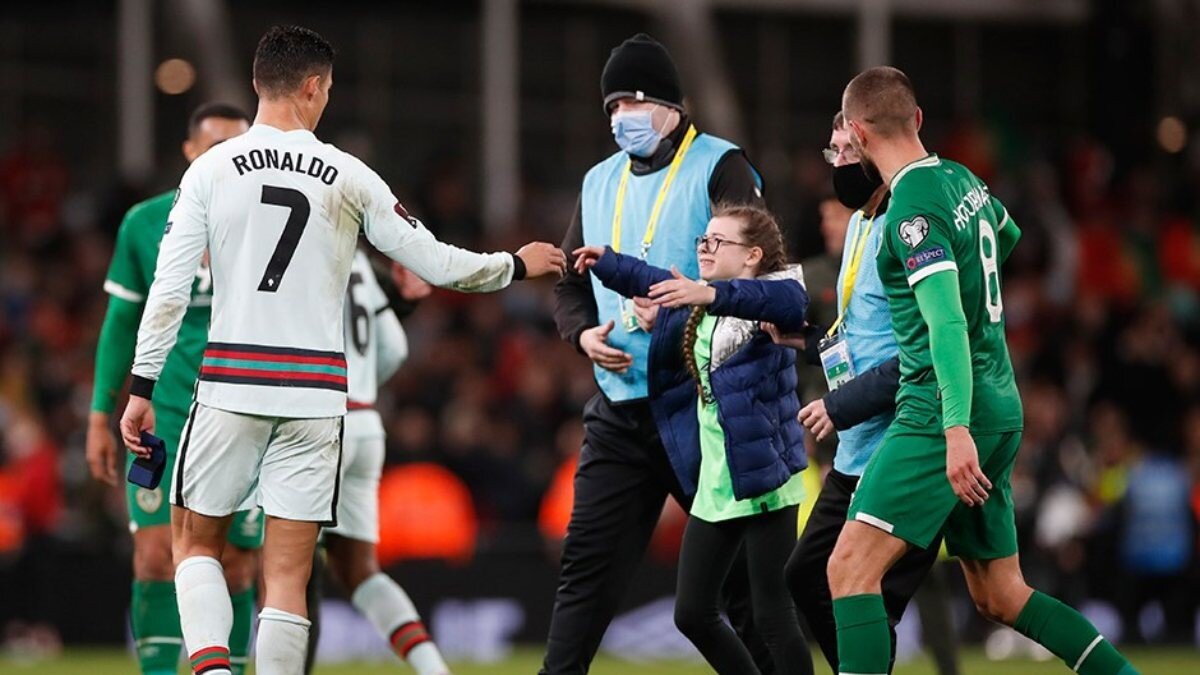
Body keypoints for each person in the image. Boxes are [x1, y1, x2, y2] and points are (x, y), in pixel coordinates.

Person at [118, 25, 565, 675]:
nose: (326, 99)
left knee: (194, 544)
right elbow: (437, 263)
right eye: (327, 89)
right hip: (317, 396)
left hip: (232, 382)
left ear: (257, 83)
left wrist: (141, 388)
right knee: (288, 573)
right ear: (311, 86)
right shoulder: (348, 174)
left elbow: (168, 290)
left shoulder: (210, 170)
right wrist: (514, 265)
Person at [827, 66, 1138, 675]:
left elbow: (945, 324)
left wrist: (954, 427)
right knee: (1001, 595)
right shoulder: (961, 178)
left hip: (940, 411)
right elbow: (1006, 234)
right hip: (1000, 402)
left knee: (849, 569)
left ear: (858, 135)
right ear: (917, 119)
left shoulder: (911, 205)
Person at [548, 33, 769, 674]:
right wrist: (582, 335)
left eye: (636, 102)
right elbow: (568, 283)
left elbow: (758, 274)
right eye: (613, 106)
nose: (623, 117)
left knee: (738, 587)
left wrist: (681, 313)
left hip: (700, 405)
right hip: (620, 407)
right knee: (585, 572)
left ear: (673, 107)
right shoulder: (599, 181)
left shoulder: (720, 166)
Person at [575, 203, 813, 674]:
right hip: (718, 480)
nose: (705, 248)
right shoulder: (703, 299)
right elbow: (652, 280)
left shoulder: (773, 293)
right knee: (692, 614)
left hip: (764, 473)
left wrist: (706, 293)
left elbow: (787, 303)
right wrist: (607, 262)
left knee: (772, 613)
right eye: (704, 240)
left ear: (752, 255)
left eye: (718, 242)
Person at [87, 103, 263, 675]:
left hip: (241, 413)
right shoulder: (145, 223)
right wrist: (98, 414)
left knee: (236, 564)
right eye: (213, 147)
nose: (224, 159)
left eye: (235, 149)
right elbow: (121, 323)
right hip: (162, 413)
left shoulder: (267, 220)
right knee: (155, 558)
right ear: (189, 152)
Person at [780, 111, 957, 675]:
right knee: (808, 576)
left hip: (904, 441)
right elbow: (860, 338)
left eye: (845, 151)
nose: (837, 163)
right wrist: (807, 341)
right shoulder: (862, 223)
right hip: (857, 448)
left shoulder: (908, 225)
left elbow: (921, 353)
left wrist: (838, 405)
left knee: (989, 593)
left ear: (872, 147)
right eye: (831, 151)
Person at [321, 249, 450, 675]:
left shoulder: (301, 247)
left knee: (285, 570)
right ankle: (433, 669)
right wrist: (362, 385)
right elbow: (394, 346)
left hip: (317, 425)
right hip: (365, 423)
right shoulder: (357, 260)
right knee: (358, 569)